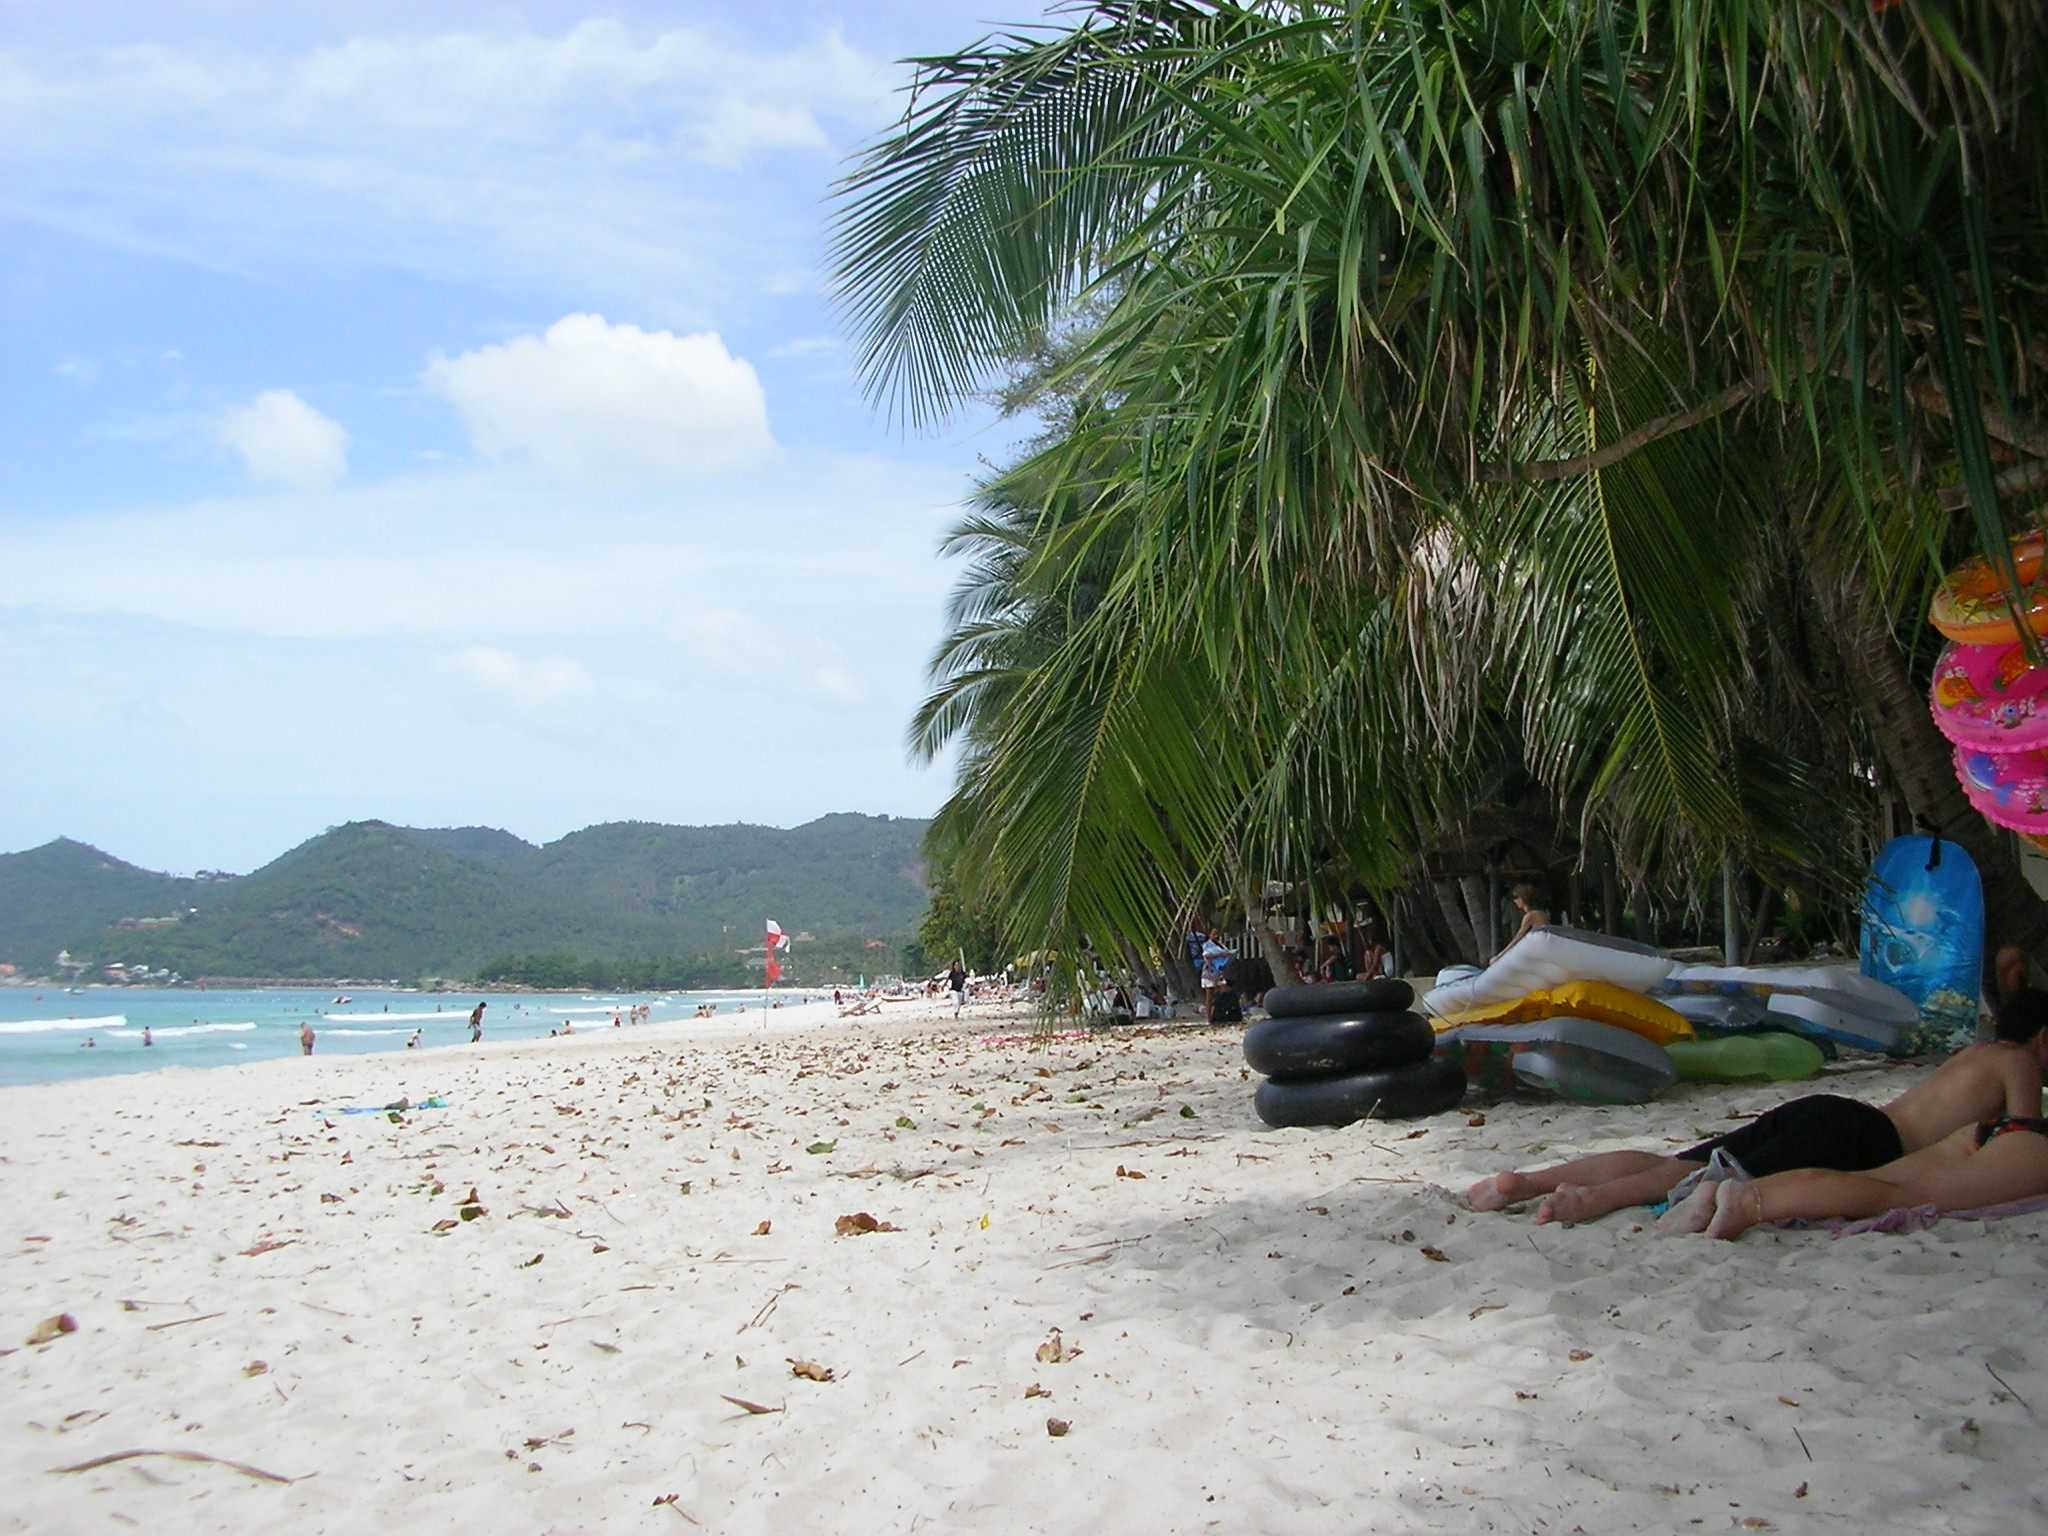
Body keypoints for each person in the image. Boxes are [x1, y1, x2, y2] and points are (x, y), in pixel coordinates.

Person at [1468, 988, 2048, 1224]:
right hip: (1868, 1142)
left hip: (1837, 1111)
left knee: (1677, 1162)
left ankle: (1526, 1182)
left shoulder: (1978, 1051)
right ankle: (1588, 1202)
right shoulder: (2019, 1064)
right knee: (1698, 1175)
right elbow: (2019, 1144)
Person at [1665, 1110, 2048, 1241]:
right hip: (2032, 1148)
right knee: (1893, 1196)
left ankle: (1732, 1193)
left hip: (1994, 1132)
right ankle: (1749, 1202)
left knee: (1878, 1183)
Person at [1494, 883, 1550, 962]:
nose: (1514, 901)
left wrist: (1499, 956)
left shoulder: (1530, 916)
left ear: (1523, 897)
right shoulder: (1542, 914)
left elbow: (1517, 939)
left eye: (1516, 897)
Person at [1199, 929, 1235, 1022]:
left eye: (1217, 934)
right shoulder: (1207, 945)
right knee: (1209, 996)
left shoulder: (1221, 945)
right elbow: (1207, 955)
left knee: (1222, 992)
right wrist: (1222, 954)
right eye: (1214, 934)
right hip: (1210, 972)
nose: (1216, 936)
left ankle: (1220, 1014)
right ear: (1210, 935)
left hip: (1219, 972)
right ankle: (1209, 1018)